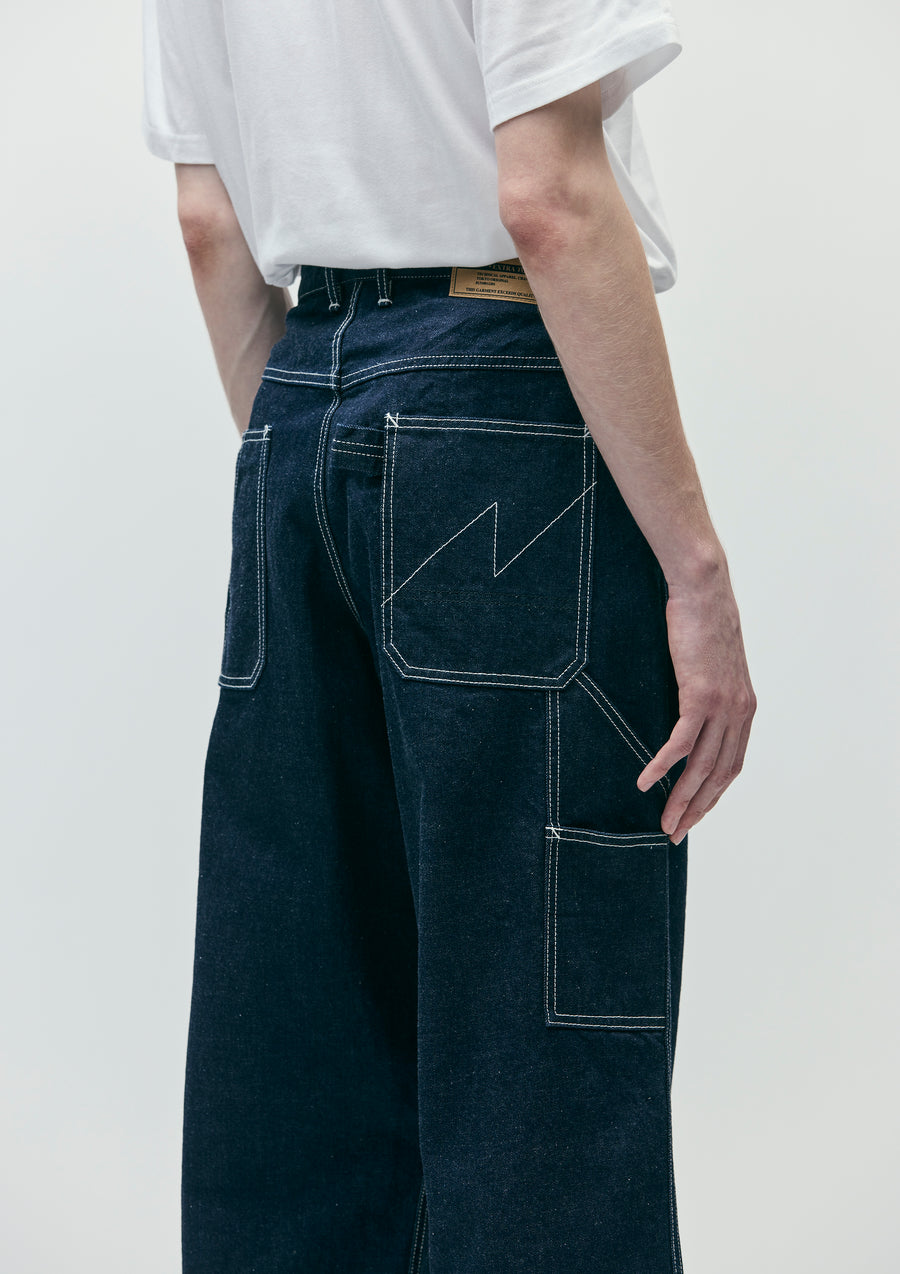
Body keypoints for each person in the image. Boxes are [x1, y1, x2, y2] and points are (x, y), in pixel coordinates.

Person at [142, 2, 756, 1271]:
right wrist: (694, 573)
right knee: (542, 1046)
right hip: (501, 407)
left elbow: (210, 222)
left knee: (301, 1041)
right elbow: (549, 198)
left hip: (296, 415)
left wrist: (341, 493)